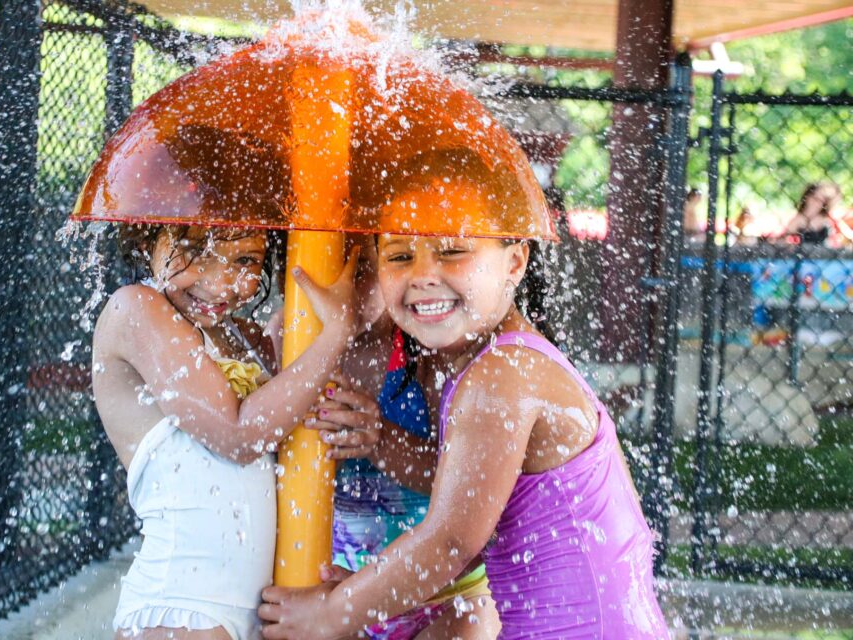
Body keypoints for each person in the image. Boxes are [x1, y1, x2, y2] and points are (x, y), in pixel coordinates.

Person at [258, 148, 669, 639]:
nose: (424, 274)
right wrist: (368, 592)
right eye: (398, 255)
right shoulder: (492, 364)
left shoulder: (502, 377)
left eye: (452, 249)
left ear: (515, 261)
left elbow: (450, 540)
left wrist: (332, 615)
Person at [93, 221, 358, 637]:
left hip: (256, 610)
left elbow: (284, 452)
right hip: (182, 606)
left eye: (246, 259)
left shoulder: (246, 336)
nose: (221, 282)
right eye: (196, 250)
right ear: (147, 242)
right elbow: (238, 437)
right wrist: (336, 334)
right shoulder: (136, 310)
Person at [270, 234, 501, 639]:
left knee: (477, 618)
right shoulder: (286, 341)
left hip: (443, 596)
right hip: (336, 590)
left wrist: (381, 440)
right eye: (326, 272)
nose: (341, 290)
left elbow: (467, 484)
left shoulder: (426, 349)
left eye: (359, 271)